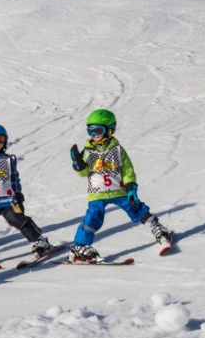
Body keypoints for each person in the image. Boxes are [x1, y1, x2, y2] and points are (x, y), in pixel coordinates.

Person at [68, 110, 175, 262]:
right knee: (93, 218)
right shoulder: (87, 151)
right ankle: (80, 246)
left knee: (135, 208)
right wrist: (78, 165)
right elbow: (84, 173)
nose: (94, 134)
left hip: (119, 189)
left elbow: (127, 170)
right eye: (90, 130)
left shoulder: (117, 150)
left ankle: (158, 228)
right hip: (97, 192)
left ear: (110, 130)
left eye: (98, 130)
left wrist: (131, 187)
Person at [0, 124, 51, 258]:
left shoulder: (8, 160)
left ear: (5, 141)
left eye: (0, 140)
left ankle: (40, 241)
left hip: (8, 199)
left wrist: (18, 194)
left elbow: (14, 179)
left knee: (18, 218)